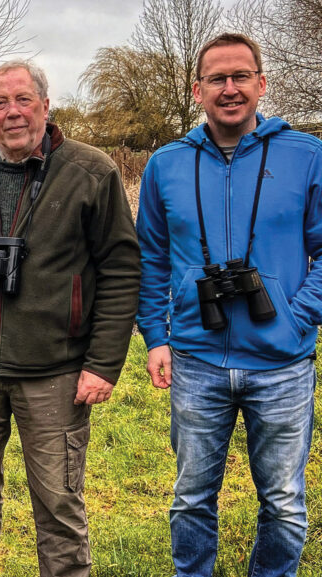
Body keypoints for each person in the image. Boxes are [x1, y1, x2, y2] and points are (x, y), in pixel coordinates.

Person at [0, 60, 140, 577]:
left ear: (45, 105)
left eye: (23, 100)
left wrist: (103, 363)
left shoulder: (91, 172)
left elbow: (121, 268)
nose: (12, 112)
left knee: (59, 510)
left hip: (56, 374)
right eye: (0, 103)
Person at [137, 33, 321, 577]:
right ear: (198, 90)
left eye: (241, 76)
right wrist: (157, 335)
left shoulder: (307, 156)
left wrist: (300, 313)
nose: (230, 88)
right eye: (217, 78)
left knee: (285, 505)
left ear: (262, 83)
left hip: (283, 363)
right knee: (191, 498)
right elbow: (150, 257)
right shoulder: (165, 164)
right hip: (196, 359)